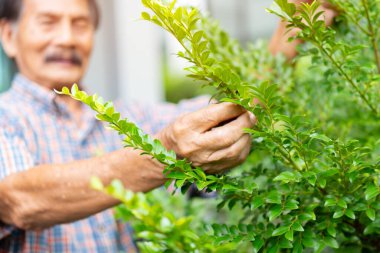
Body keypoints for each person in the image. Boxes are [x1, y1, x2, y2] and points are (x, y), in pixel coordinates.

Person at [0, 0, 256, 252]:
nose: (67, 38)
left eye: (80, 24)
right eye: (48, 23)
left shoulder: (129, 118)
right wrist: (161, 154)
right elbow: (19, 199)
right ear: (9, 36)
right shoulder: (6, 119)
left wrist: (288, 31)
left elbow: (231, 112)